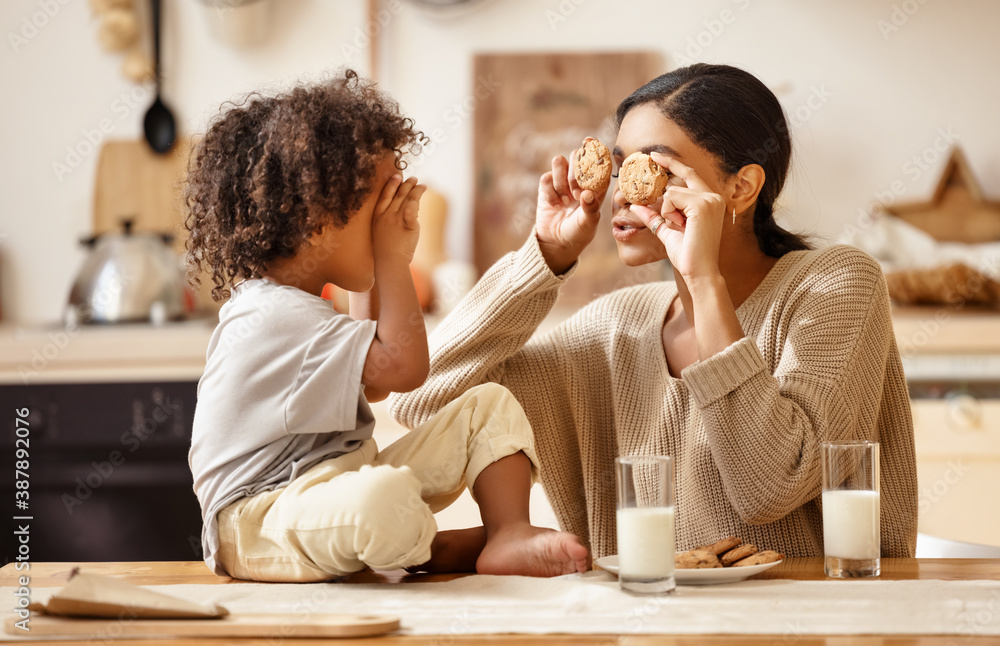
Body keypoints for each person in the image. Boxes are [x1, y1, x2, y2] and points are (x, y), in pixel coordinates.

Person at [391, 63, 918, 560]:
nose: (623, 192)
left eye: (654, 167)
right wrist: (545, 256)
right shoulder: (617, 325)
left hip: (811, 624)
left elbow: (769, 487)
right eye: (620, 168)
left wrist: (702, 279)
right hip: (643, 624)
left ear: (741, 187)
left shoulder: (834, 284)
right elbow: (425, 400)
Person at [184, 69, 589, 582]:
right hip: (260, 519)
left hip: (333, 486)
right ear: (318, 222)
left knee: (486, 405)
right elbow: (403, 369)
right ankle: (430, 551)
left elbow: (372, 385)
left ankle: (507, 532)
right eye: (381, 204)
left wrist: (376, 263)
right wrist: (393, 260)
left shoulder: (296, 307)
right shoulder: (274, 317)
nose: (393, 217)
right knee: (383, 497)